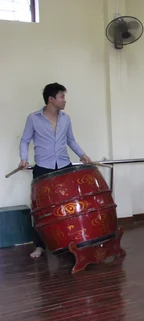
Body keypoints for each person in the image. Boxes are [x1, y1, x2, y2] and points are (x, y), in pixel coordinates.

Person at [19, 82, 92, 259]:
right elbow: (25, 140)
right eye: (62, 97)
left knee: (68, 208)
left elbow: (71, 140)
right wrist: (23, 158)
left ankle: (69, 243)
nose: (64, 100)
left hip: (64, 167)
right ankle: (40, 246)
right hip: (43, 168)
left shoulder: (66, 118)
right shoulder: (34, 118)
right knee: (41, 210)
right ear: (51, 99)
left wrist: (83, 155)